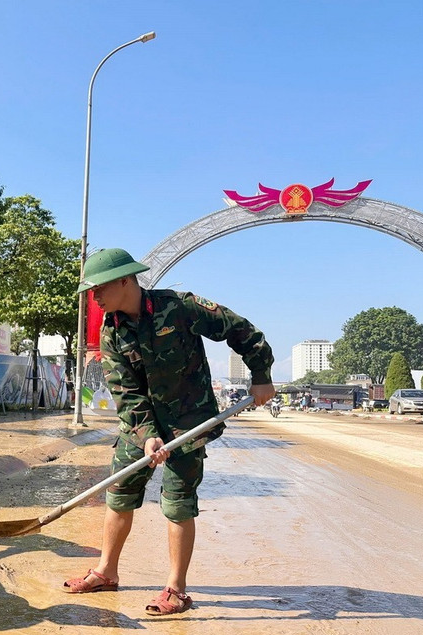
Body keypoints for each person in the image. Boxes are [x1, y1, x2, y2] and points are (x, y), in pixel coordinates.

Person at [63, 248, 275, 615]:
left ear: (125, 280)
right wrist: (146, 434)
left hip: (188, 423)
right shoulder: (111, 331)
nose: (93, 297)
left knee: (177, 502)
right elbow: (125, 391)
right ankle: (105, 572)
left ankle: (176, 589)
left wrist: (261, 376)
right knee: (119, 493)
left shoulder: (180, 307)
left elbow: (240, 329)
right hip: (140, 427)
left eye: (98, 288)